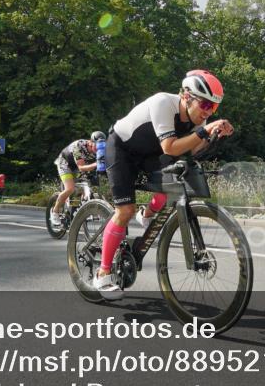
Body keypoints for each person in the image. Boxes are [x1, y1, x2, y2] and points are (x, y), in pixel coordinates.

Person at [95, 70, 234, 299]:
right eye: (206, 104)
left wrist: (213, 136)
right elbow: (170, 147)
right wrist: (203, 131)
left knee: (172, 183)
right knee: (125, 210)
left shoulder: (199, 118)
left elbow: (191, 149)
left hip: (150, 154)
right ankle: (103, 273)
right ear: (187, 96)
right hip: (122, 149)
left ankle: (146, 214)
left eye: (214, 107)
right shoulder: (163, 102)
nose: (209, 112)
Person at [49, 132, 105, 228]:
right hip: (65, 164)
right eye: (96, 145)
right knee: (70, 189)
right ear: (90, 142)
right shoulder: (79, 146)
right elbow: (81, 167)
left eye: (101, 146)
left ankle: (80, 207)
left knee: (89, 186)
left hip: (79, 165)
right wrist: (97, 164)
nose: (98, 149)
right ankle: (55, 211)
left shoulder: (101, 149)